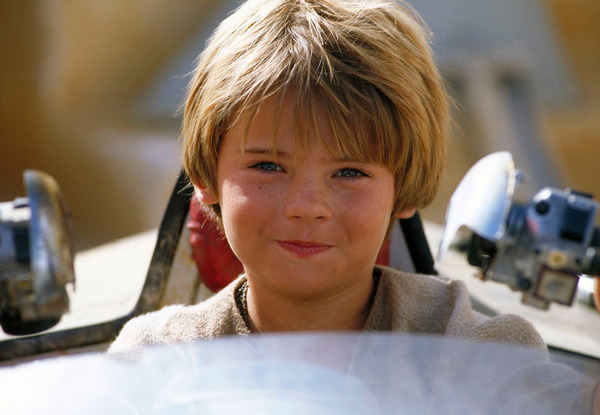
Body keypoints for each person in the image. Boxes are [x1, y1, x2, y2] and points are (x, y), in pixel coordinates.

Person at [109, 0, 546, 353]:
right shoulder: (155, 359)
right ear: (205, 176)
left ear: (403, 190)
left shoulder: (483, 354)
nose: (307, 207)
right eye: (267, 166)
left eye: (349, 172)